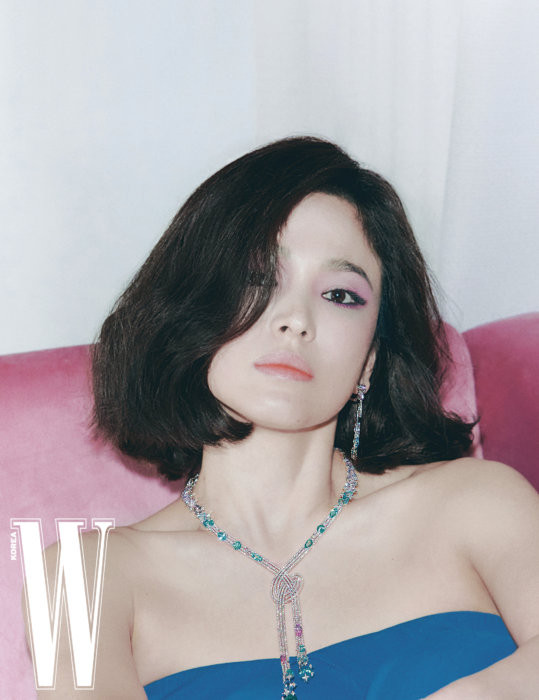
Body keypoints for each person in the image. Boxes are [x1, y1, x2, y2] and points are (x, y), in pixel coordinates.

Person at [39, 137, 539, 698]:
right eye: (259, 278)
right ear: (191, 310)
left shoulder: (478, 502)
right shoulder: (78, 581)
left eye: (341, 295)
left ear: (371, 356)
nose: (296, 319)